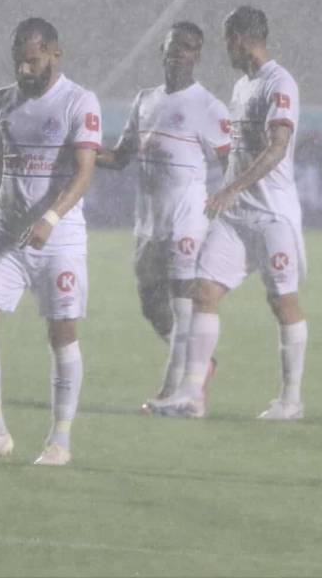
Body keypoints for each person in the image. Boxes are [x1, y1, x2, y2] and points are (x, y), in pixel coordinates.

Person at [149, 6, 309, 420]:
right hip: (237, 218)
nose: (224, 50)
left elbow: (277, 147)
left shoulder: (279, 83)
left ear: (239, 39)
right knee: (203, 291)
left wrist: (232, 188)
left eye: (226, 41)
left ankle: (290, 400)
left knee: (283, 302)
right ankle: (192, 395)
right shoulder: (241, 86)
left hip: (272, 216)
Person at [0, 18, 102, 466]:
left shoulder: (79, 101)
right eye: (18, 61)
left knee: (62, 332)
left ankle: (59, 440)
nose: (24, 70)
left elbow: (84, 172)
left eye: (33, 61)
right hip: (7, 234)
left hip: (59, 239)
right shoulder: (1, 102)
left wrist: (51, 218)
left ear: (55, 54)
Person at [96, 22, 232, 409]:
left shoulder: (207, 106)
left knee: (182, 305)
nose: (179, 53)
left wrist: (226, 202)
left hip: (186, 221)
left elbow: (232, 162)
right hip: (149, 223)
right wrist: (82, 152)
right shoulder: (145, 100)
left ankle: (174, 391)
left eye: (188, 47)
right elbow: (121, 157)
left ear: (197, 55)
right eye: (174, 46)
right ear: (162, 51)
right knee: (151, 304)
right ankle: (199, 366)